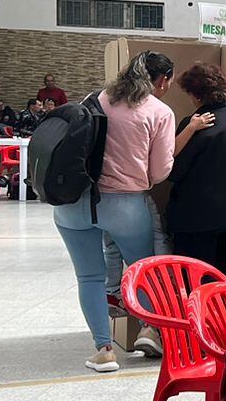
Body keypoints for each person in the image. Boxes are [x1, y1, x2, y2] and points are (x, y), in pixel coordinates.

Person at [52, 54, 176, 373]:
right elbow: (160, 171)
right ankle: (150, 330)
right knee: (143, 270)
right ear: (161, 81)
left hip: (74, 203)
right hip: (125, 204)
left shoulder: (94, 99)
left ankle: (104, 349)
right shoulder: (159, 112)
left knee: (89, 276)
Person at [168, 63, 226, 285]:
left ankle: (204, 319)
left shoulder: (197, 124)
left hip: (198, 217)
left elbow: (173, 170)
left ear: (196, 94)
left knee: (198, 279)